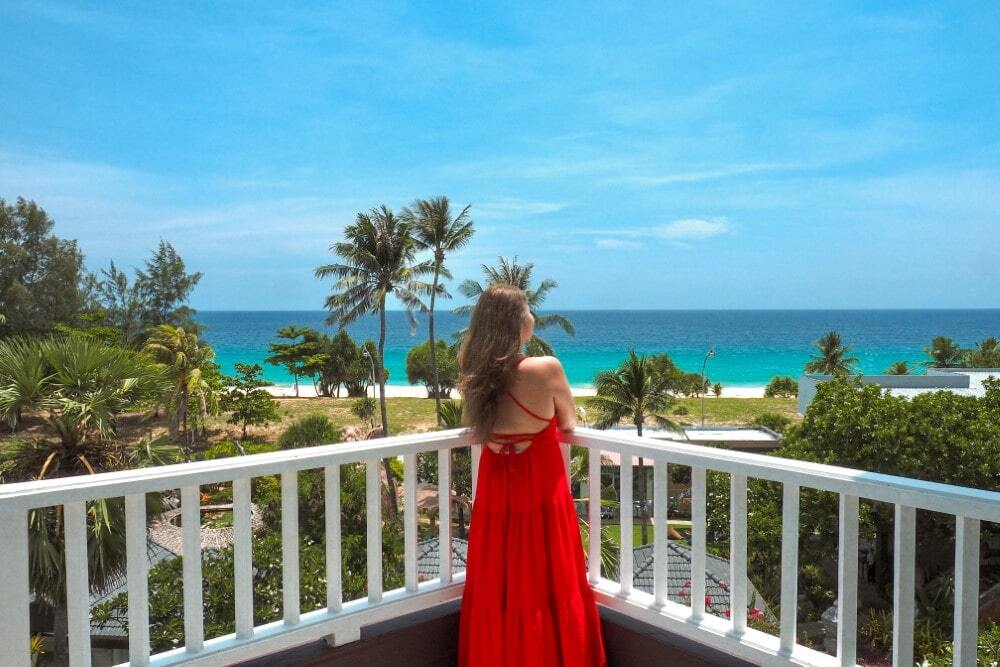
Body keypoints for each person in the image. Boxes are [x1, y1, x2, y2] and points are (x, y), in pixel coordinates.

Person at [456, 284, 607, 667]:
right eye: (528, 309)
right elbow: (569, 421)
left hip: (495, 493)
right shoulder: (545, 368)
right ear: (517, 322)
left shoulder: (476, 374)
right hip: (539, 492)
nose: (533, 317)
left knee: (499, 587)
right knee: (546, 583)